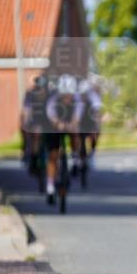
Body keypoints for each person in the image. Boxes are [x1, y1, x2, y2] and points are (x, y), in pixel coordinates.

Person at [44, 74, 85, 204]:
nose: (67, 98)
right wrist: (57, 123)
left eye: (69, 96)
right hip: (55, 125)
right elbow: (51, 116)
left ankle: (74, 157)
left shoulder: (77, 100)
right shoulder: (53, 100)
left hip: (69, 122)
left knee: (75, 132)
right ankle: (50, 187)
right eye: (64, 96)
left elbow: (77, 117)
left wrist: (72, 124)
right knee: (53, 156)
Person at [21, 75, 50, 174]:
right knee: (35, 135)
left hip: (47, 120)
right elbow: (26, 110)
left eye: (42, 88)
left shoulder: (49, 95)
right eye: (38, 88)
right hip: (34, 120)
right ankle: (33, 159)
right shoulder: (30, 95)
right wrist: (25, 122)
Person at [77, 77, 103, 167]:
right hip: (79, 120)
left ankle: (92, 152)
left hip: (90, 120)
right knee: (77, 137)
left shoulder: (93, 97)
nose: (83, 96)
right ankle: (77, 157)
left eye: (85, 94)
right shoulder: (76, 97)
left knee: (96, 133)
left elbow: (97, 111)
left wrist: (98, 122)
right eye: (82, 94)